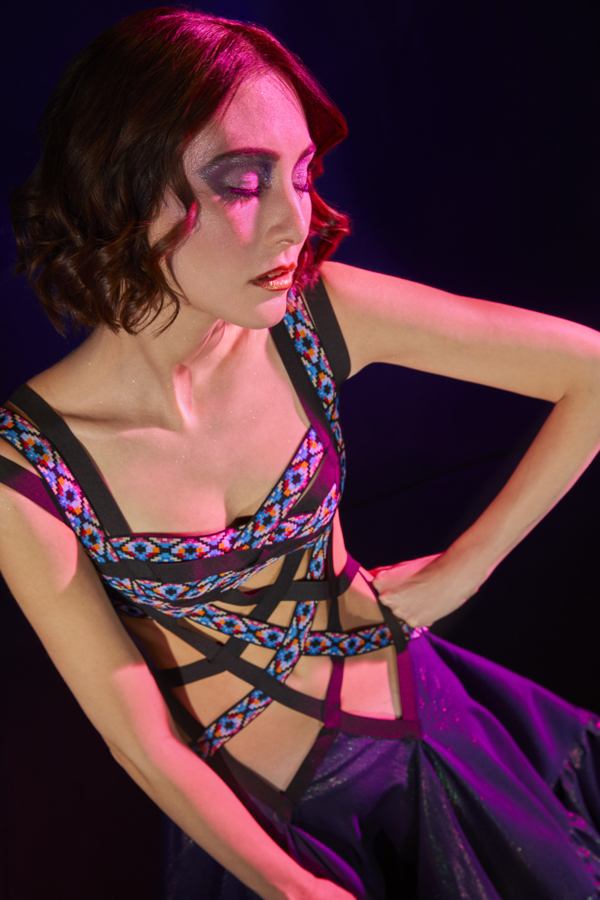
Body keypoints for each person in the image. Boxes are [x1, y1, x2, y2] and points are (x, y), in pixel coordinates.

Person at [1, 7, 599, 899]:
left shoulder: (315, 320)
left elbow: (591, 372)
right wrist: (287, 886)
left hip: (436, 744)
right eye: (245, 183)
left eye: (304, 173)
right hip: (262, 831)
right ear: (120, 192)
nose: (297, 220)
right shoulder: (28, 468)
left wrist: (461, 573)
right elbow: (141, 737)